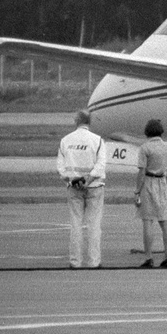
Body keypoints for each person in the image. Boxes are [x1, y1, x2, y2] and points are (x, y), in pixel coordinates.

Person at [56, 110, 107, 269]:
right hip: (94, 187)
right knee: (94, 226)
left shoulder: (65, 140)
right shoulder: (98, 140)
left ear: (76, 121)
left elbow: (60, 167)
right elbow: (101, 165)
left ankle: (75, 261)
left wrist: (72, 180)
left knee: (76, 225)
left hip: (74, 188)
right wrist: (88, 179)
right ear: (89, 122)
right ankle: (94, 262)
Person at [134, 118, 167, 268]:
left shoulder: (145, 148)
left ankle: (149, 257)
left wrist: (137, 191)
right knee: (164, 222)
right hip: (162, 182)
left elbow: (141, 171)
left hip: (149, 182)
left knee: (148, 221)